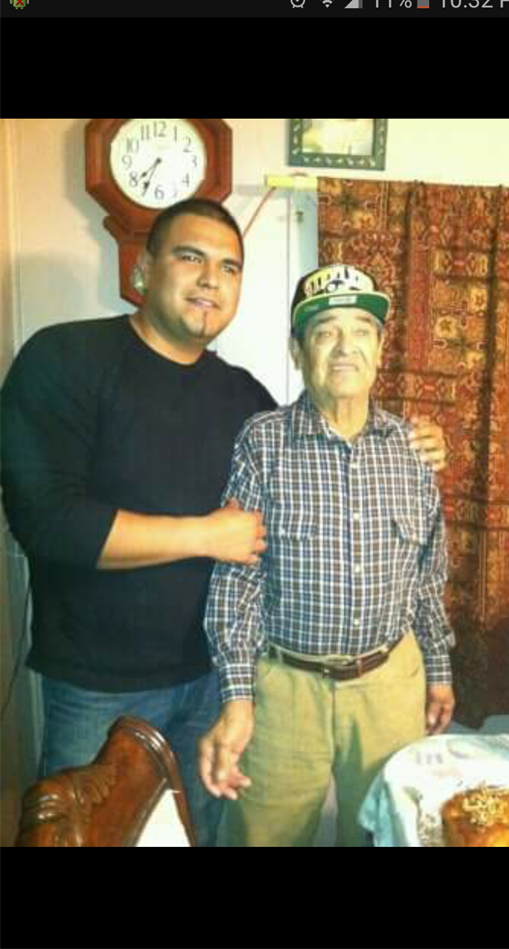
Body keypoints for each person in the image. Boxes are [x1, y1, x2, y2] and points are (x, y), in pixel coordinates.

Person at [0, 201, 445, 848]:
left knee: (203, 835)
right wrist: (206, 534)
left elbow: (326, 471)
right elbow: (45, 521)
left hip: (213, 677)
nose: (210, 278)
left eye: (229, 267)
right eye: (191, 257)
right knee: (86, 836)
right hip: (100, 684)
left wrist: (416, 441)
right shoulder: (65, 357)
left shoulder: (245, 400)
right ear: (143, 269)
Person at [199, 263, 455, 848]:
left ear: (381, 349)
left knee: (384, 835)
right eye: (325, 331)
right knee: (261, 838)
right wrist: (238, 698)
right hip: (287, 690)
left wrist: (438, 672)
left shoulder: (415, 449)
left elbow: (426, 575)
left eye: (361, 330)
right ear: (298, 351)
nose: (345, 347)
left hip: (391, 685)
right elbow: (237, 579)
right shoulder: (262, 441)